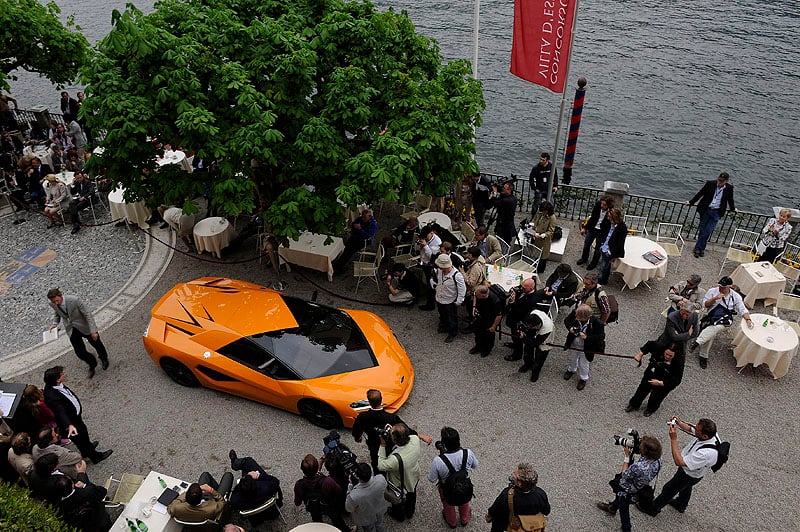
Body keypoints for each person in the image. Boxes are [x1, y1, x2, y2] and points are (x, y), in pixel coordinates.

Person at [645, 417, 720, 515]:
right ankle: (681, 504)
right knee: (686, 487)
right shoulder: (712, 435)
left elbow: (679, 461)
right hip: (695, 473)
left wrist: (673, 438)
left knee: (669, 489)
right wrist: (679, 423)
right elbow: (690, 428)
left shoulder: (706, 454)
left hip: (689, 474)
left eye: (697, 430)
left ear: (705, 436)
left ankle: (654, 509)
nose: (694, 429)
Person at [351, 389, 432, 474]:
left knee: (377, 464)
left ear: (369, 402)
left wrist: (357, 437)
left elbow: (356, 431)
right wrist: (421, 436)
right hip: (390, 446)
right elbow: (406, 429)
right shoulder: (391, 417)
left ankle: (379, 478)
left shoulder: (363, 417)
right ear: (381, 399)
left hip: (374, 446)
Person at [42, 366, 112, 464]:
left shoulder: (53, 385)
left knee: (82, 439)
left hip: (74, 417)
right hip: (72, 422)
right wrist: (69, 425)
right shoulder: (52, 397)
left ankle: (86, 451)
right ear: (58, 380)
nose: (64, 375)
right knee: (82, 438)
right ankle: (96, 457)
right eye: (62, 374)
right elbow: (60, 411)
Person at [596, 435, 663, 532]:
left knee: (624, 507)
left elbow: (624, 474)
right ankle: (612, 507)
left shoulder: (638, 467)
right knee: (620, 498)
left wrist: (627, 457)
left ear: (645, 452)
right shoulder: (659, 460)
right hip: (642, 487)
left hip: (629, 490)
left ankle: (627, 528)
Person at [690, 276, 752, 368]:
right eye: (720, 285)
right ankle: (702, 354)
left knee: (715, 327)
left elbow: (742, 309)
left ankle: (698, 342)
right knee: (711, 331)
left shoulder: (735, 296)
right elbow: (705, 305)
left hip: (725, 319)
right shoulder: (712, 291)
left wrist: (748, 319)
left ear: (729, 287)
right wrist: (715, 298)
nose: (720, 288)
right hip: (711, 316)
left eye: (723, 287)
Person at [47, 288, 110, 377]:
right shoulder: (53, 303)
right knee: (79, 352)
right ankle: (92, 363)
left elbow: (88, 314)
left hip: (84, 326)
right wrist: (55, 323)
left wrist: (93, 331)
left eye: (57, 300)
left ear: (61, 296)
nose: (56, 303)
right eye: (54, 302)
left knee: (96, 343)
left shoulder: (74, 300)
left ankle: (104, 358)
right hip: (71, 329)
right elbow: (57, 312)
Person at [428, 427, 479, 529]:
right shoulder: (467, 453)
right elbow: (475, 465)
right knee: (464, 501)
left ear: (444, 444)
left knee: (448, 505)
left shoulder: (438, 461)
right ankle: (465, 519)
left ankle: (452, 522)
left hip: (446, 488)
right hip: (463, 484)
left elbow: (431, 479)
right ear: (458, 441)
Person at [485, 462, 550, 532]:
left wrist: (489, 516)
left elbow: (496, 509)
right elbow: (546, 511)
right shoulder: (540, 494)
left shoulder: (507, 495)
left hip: (510, 524)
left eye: (514, 475)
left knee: (497, 522)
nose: (513, 474)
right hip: (532, 527)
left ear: (519, 483)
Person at [377, 423, 422, 522]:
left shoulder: (395, 460)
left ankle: (399, 516)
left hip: (400, 483)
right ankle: (409, 513)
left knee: (397, 502)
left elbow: (381, 465)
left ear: (395, 440)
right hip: (414, 476)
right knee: (412, 495)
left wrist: (382, 445)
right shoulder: (415, 439)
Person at [293, 453, 349, 531]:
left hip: (313, 508)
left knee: (317, 521)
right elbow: (339, 491)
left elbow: (297, 503)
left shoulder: (299, 485)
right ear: (317, 469)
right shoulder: (328, 481)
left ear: (302, 470)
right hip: (329, 505)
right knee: (337, 519)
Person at [685, 172, 736, 258]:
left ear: (726, 181)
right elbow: (700, 193)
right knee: (702, 230)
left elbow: (730, 199)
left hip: (717, 212)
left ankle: (697, 248)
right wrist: (691, 202)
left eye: (722, 181)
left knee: (707, 231)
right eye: (719, 180)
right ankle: (701, 249)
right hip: (706, 210)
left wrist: (733, 208)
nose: (719, 183)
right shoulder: (710, 184)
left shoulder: (729, 188)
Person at [626, 342, 684, 416]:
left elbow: (677, 379)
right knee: (642, 389)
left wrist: (661, 383)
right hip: (652, 372)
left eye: (670, 356)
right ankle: (634, 404)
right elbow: (649, 345)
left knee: (657, 396)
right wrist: (640, 354)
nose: (667, 357)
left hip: (665, 379)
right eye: (666, 354)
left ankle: (650, 409)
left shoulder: (678, 363)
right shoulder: (658, 347)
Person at [227, 450, 283, 522]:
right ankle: (235, 463)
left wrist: (241, 484)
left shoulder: (235, 500)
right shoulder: (267, 487)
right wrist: (259, 476)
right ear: (256, 483)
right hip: (272, 513)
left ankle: (235, 463)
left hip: (254, 518)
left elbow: (234, 496)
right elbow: (275, 481)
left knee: (247, 464)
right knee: (248, 461)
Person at [563, 304, 605, 390]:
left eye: (578, 316)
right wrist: (570, 328)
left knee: (584, 363)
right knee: (572, 358)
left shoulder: (597, 323)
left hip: (587, 347)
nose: (575, 316)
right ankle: (571, 369)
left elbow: (601, 336)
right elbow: (566, 321)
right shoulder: (575, 313)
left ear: (585, 317)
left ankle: (583, 378)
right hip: (573, 343)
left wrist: (587, 337)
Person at [169, 471, 234, 523]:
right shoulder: (213, 508)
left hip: (200, 511)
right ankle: (217, 489)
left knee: (205, 475)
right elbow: (222, 502)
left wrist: (188, 494)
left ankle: (218, 489)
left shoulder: (177, 508)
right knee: (228, 475)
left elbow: (171, 507)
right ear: (202, 495)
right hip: (212, 501)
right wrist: (212, 491)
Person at [345, 462, 388, 532]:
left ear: (358, 477)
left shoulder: (354, 495)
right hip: (380, 510)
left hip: (366, 517)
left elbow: (348, 508)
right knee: (379, 524)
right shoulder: (381, 479)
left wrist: (350, 487)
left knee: (370, 529)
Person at [433, 254, 466, 343]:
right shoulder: (440, 271)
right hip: (440, 298)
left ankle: (452, 333)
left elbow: (462, 289)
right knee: (442, 315)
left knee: (452, 318)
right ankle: (445, 326)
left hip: (450, 301)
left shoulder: (457, 275)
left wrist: (459, 301)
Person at [503, 278, 538, 361]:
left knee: (518, 338)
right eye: (522, 286)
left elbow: (520, 312)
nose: (521, 289)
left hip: (519, 321)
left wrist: (513, 302)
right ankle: (514, 344)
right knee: (514, 335)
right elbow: (518, 288)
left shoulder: (532, 300)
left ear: (531, 289)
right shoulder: (524, 290)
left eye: (524, 288)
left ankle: (517, 355)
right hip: (513, 318)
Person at [333, 209, 378, 273]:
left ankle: (339, 266)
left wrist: (360, 229)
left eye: (364, 217)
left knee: (350, 251)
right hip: (355, 237)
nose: (362, 219)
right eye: (362, 216)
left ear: (370, 216)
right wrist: (354, 226)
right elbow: (354, 223)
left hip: (363, 241)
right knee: (347, 248)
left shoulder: (373, 225)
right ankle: (338, 263)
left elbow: (367, 236)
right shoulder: (361, 218)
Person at [578, 194, 614, 266]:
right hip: (592, 228)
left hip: (602, 232)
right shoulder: (598, 206)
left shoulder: (611, 212)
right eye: (602, 203)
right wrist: (585, 228)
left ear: (608, 205)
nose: (602, 206)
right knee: (587, 244)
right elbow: (592, 218)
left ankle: (594, 263)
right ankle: (584, 258)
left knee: (598, 249)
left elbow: (610, 225)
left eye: (604, 205)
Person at [518, 310, 554, 382]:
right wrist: (522, 330)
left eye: (529, 326)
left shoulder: (547, 328)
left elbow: (535, 343)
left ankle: (535, 372)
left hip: (545, 335)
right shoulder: (530, 316)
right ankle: (528, 364)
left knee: (540, 355)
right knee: (527, 349)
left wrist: (524, 338)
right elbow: (522, 325)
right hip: (533, 329)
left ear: (537, 326)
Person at [470, 285, 503, 358]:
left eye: (478, 294)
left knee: (488, 336)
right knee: (478, 333)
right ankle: (478, 346)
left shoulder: (495, 300)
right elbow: (475, 296)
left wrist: (493, 327)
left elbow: (499, 316)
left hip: (490, 319)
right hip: (480, 317)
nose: (475, 295)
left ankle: (487, 349)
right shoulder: (478, 294)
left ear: (483, 295)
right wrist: (474, 307)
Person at [596, 207, 627, 285]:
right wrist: (603, 244)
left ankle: (600, 281)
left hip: (609, 251)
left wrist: (610, 252)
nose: (608, 218)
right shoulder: (611, 224)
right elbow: (607, 235)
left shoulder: (622, 228)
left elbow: (620, 243)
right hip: (605, 247)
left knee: (603, 267)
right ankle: (604, 280)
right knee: (606, 266)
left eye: (610, 217)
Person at [529, 201, 556, 273]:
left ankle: (540, 269)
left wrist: (542, 235)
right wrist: (532, 226)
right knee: (536, 252)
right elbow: (535, 220)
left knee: (543, 255)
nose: (543, 212)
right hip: (536, 235)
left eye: (544, 211)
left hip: (544, 240)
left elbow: (551, 231)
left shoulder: (552, 218)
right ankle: (535, 265)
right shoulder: (540, 213)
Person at [528, 152, 558, 216]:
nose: (541, 161)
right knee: (536, 204)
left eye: (543, 160)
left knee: (551, 204)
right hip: (539, 189)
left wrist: (555, 186)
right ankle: (533, 216)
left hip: (549, 189)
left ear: (547, 160)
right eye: (540, 159)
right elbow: (531, 178)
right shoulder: (536, 168)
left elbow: (555, 177)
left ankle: (550, 217)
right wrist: (534, 188)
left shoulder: (552, 167)